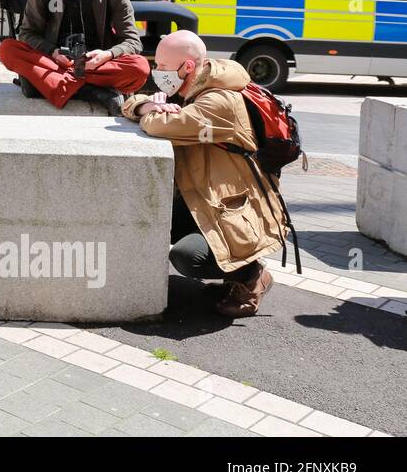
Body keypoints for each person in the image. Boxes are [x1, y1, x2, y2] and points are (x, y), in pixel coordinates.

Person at [122, 30, 289, 317]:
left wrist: (149, 112)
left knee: (188, 258)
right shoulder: (190, 91)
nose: (156, 72)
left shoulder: (219, 102)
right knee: (146, 218)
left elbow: (161, 126)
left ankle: (252, 277)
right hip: (204, 198)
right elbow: (131, 102)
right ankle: (235, 272)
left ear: (187, 67)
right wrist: (147, 104)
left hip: (236, 210)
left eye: (162, 66)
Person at [0, 0, 150, 114]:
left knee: (140, 67)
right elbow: (27, 33)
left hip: (96, 65)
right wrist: (52, 51)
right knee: (7, 49)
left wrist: (107, 55)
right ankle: (91, 91)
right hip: (54, 61)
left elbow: (132, 41)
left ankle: (45, 84)